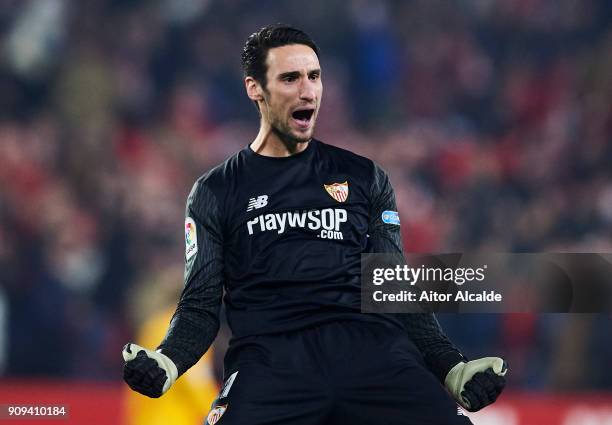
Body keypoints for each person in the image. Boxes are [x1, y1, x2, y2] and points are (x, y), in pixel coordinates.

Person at [122, 24, 507, 425]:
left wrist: (451, 366)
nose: (308, 90)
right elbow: (200, 306)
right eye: (290, 78)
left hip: (372, 358)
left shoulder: (365, 177)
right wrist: (168, 359)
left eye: (314, 76)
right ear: (255, 88)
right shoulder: (215, 191)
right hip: (271, 363)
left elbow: (393, 289)